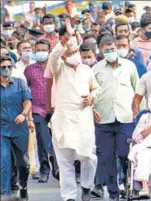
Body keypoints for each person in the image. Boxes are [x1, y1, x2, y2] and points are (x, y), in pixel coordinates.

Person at [48, 20, 99, 201]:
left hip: (84, 119)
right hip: (63, 120)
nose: (75, 55)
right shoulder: (58, 68)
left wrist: (93, 97)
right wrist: (66, 38)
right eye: (70, 52)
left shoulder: (86, 70)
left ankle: (86, 186)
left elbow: (96, 88)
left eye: (76, 51)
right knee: (65, 162)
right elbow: (54, 56)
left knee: (89, 157)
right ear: (63, 55)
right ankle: (69, 196)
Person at [92, 34, 138, 201]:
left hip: (125, 118)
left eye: (113, 49)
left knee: (125, 153)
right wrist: (92, 109)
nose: (111, 52)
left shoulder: (129, 66)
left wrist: (137, 111)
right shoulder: (95, 70)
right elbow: (90, 93)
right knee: (106, 157)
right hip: (103, 120)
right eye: (107, 50)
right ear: (101, 51)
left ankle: (126, 181)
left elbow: (137, 90)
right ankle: (113, 193)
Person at [1, 55, 32, 200]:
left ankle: (23, 185)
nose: (7, 70)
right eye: (3, 67)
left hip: (20, 129)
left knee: (23, 162)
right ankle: (5, 194)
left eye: (9, 67)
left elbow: (27, 101)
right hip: (2, 130)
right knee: (4, 162)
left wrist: (24, 114)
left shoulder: (20, 83)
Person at [24, 39, 52, 183]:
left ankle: (59, 168)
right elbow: (25, 89)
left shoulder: (55, 67)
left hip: (55, 108)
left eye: (44, 50)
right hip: (38, 109)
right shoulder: (29, 69)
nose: (41, 52)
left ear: (49, 51)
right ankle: (44, 170)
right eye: (38, 50)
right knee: (42, 140)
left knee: (58, 140)